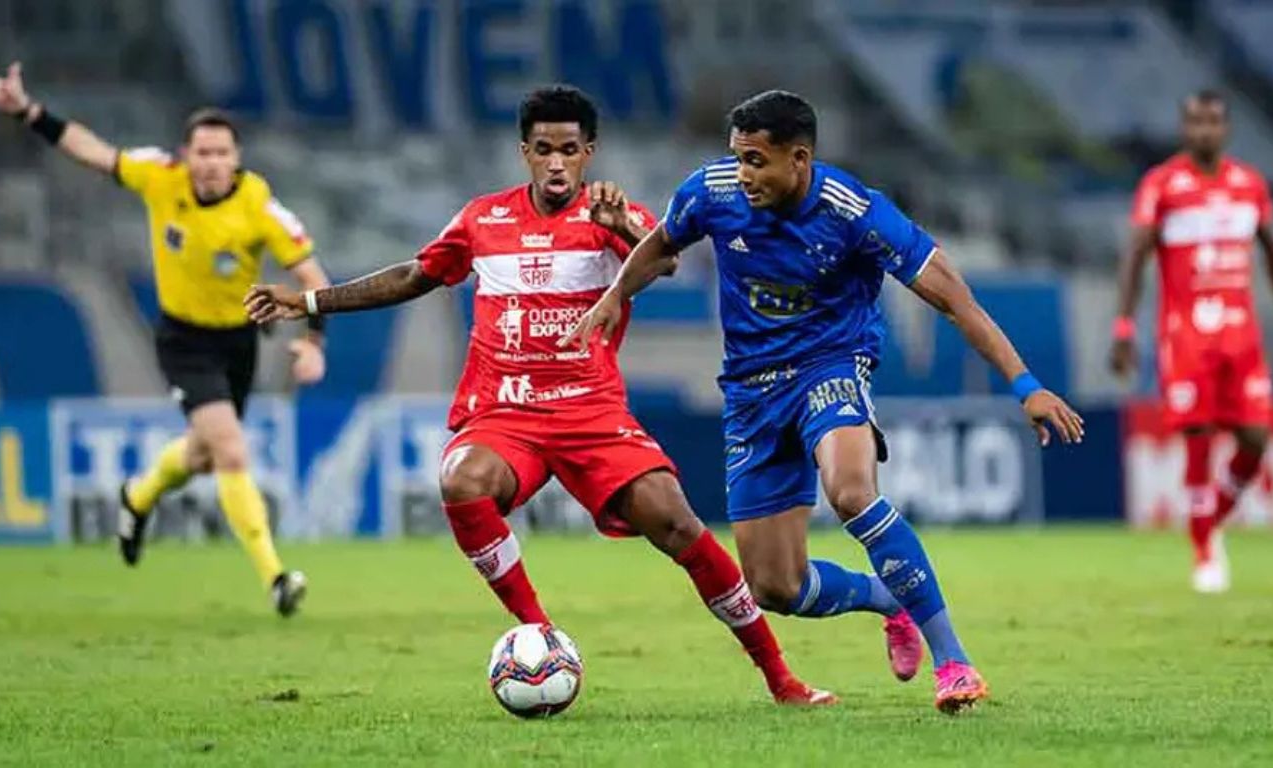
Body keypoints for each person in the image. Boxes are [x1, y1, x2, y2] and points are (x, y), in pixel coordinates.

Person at [244, 86, 834, 705]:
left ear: (589, 153)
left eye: (570, 151)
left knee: (677, 522)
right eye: (545, 149)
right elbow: (415, 275)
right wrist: (309, 301)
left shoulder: (611, 217)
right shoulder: (482, 220)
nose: (557, 163)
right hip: (506, 413)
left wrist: (622, 228)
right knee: (461, 480)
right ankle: (538, 630)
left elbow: (663, 262)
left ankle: (781, 678)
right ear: (526, 151)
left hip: (591, 410)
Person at [564, 90, 1085, 713]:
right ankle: (889, 598)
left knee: (851, 491)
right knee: (774, 587)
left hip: (830, 365)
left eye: (758, 161)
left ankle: (954, 662)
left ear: (800, 159)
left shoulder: (854, 211)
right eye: (738, 157)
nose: (745, 174)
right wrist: (615, 295)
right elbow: (661, 245)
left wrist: (1025, 386)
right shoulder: (713, 191)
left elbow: (954, 298)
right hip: (751, 391)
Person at [0, 62, 329, 616]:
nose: (212, 163)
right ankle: (275, 577)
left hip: (238, 342)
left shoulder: (260, 207)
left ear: (237, 159)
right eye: (203, 152)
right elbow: (94, 151)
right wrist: (30, 112)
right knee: (229, 448)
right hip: (182, 339)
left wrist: (314, 341)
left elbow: (314, 278)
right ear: (186, 154)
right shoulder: (159, 176)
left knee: (202, 455)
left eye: (223, 153)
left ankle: (138, 496)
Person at [1110, 89, 1273, 593]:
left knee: (1256, 440)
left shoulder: (1250, 186)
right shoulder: (1163, 184)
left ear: (1226, 128)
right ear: (1184, 127)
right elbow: (1135, 255)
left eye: (1213, 121)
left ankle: (1210, 517)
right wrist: (1124, 326)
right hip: (1186, 334)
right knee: (1197, 434)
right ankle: (1203, 545)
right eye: (1195, 121)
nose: (1204, 131)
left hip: (1242, 336)